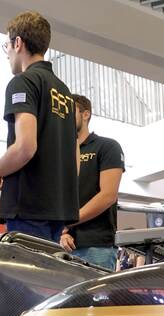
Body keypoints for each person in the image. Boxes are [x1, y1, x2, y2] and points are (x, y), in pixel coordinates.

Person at [0, 11, 79, 242]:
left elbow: (25, 147)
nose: (6, 54)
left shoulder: (23, 82)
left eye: (6, 45)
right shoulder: (65, 92)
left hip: (29, 208)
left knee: (24, 278)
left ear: (18, 43)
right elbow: (74, 153)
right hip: (57, 208)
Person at [59, 94, 124, 270]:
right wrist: (61, 232)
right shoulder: (60, 153)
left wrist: (67, 223)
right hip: (60, 246)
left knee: (96, 298)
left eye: (69, 112)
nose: (63, 116)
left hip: (96, 247)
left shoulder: (107, 147)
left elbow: (108, 196)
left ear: (85, 114)